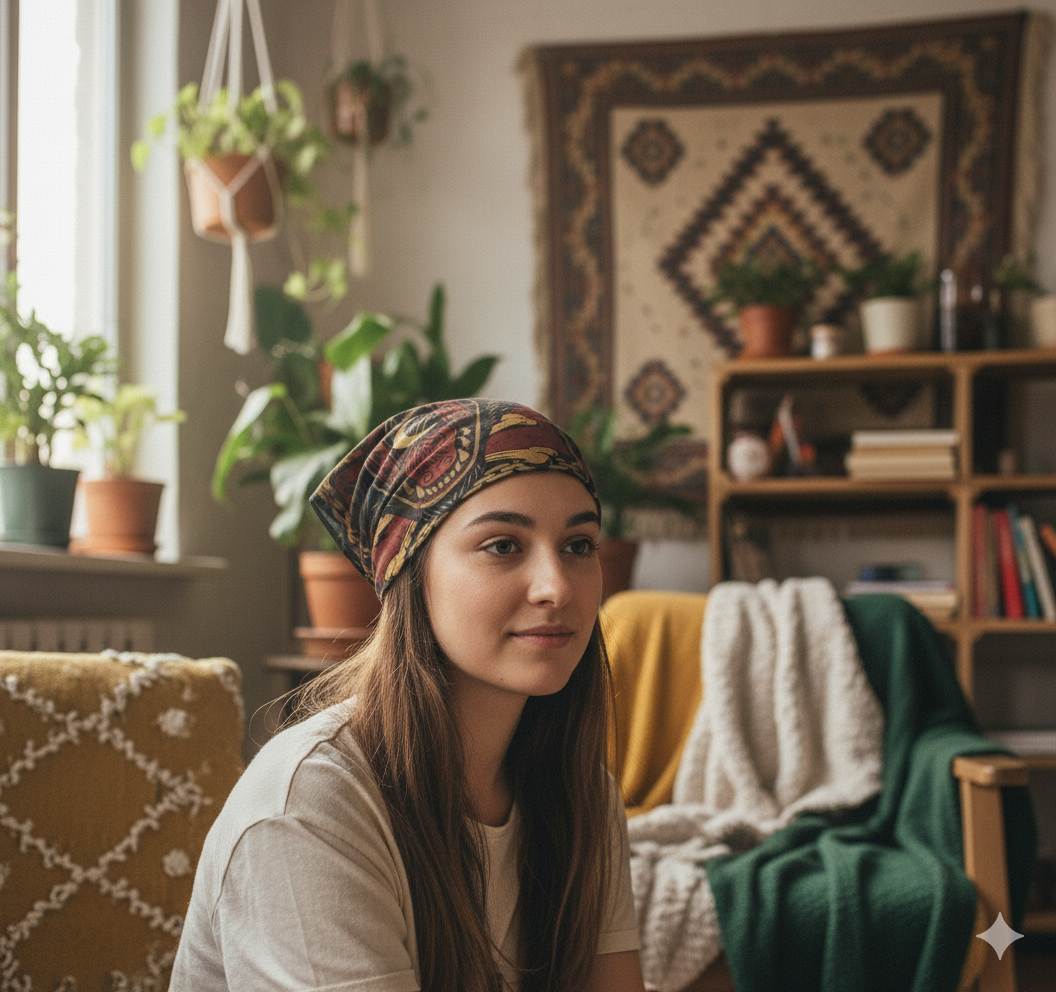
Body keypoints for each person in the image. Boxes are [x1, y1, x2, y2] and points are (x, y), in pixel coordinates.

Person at [171, 398, 647, 992]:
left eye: (579, 546)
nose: (556, 587)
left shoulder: (582, 793)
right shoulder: (313, 804)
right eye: (503, 545)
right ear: (410, 573)